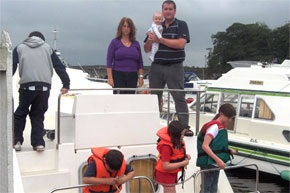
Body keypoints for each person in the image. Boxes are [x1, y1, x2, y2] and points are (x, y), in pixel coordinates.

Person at [13, 31, 70, 152]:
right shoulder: (48, 48)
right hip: (44, 87)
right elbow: (59, 66)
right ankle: (38, 143)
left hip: (26, 86)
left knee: (21, 113)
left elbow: (11, 67)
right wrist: (66, 83)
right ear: (42, 39)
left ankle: (17, 141)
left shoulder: (19, 47)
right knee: (38, 114)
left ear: (29, 38)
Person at [144, 0, 193, 136]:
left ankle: (184, 127)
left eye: (170, 9)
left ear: (175, 11)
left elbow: (180, 44)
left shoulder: (181, 25)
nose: (168, 11)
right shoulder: (155, 26)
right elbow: (146, 49)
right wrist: (150, 39)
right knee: (154, 97)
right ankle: (152, 124)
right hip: (156, 67)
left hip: (175, 66)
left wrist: (160, 40)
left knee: (179, 97)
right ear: (162, 11)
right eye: (165, 9)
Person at [196, 103, 237, 193]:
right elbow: (205, 145)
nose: (230, 120)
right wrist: (218, 160)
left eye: (231, 118)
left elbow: (216, 144)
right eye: (229, 117)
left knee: (213, 187)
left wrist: (229, 150)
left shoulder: (221, 127)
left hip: (214, 163)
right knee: (206, 188)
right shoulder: (214, 127)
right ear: (221, 114)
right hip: (209, 163)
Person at [106, 17, 144, 94]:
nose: (126, 28)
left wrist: (141, 77)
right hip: (118, 75)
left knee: (130, 101)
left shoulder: (136, 44)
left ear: (131, 28)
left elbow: (140, 62)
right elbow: (109, 61)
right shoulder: (114, 42)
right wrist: (110, 78)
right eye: (124, 26)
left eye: (128, 26)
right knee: (119, 101)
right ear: (120, 27)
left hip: (133, 76)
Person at [155, 120, 191, 193]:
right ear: (175, 135)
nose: (183, 137)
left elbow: (175, 155)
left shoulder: (175, 142)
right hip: (165, 174)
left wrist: (185, 156)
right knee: (170, 191)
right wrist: (183, 163)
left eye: (183, 134)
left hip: (172, 173)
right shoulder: (166, 146)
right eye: (181, 135)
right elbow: (166, 166)